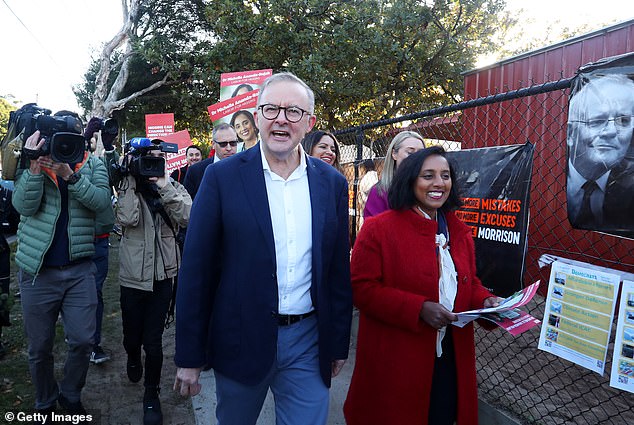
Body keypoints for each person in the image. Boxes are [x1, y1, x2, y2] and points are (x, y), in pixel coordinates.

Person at [174, 72, 352, 425]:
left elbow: (335, 272)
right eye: (271, 109)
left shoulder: (331, 183)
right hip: (240, 340)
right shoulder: (221, 178)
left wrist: (336, 343)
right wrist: (190, 356)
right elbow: (197, 270)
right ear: (257, 118)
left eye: (293, 112)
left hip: (307, 342)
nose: (281, 119)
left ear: (309, 123)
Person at [344, 146, 501, 425]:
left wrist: (486, 301)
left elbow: (469, 282)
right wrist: (418, 308)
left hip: (449, 355)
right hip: (397, 359)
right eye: (428, 175)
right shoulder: (378, 229)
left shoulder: (458, 230)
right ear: (410, 181)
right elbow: (361, 288)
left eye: (445, 175)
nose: (438, 183)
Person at [12, 112, 111, 415]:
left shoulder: (92, 164)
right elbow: (23, 206)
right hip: (37, 273)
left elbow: (102, 203)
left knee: (82, 341)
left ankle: (70, 395)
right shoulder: (35, 161)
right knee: (39, 348)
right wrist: (32, 166)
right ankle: (44, 402)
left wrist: (71, 175)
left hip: (79, 270)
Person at [115, 138, 191, 425]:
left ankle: (152, 394)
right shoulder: (126, 185)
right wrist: (130, 181)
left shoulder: (172, 185)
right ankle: (132, 357)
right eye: (148, 158)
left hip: (163, 276)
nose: (153, 163)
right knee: (131, 337)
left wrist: (164, 185)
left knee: (154, 342)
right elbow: (128, 217)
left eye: (159, 158)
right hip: (133, 277)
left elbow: (188, 216)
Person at [566, 74, 634, 236]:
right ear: (570, 134)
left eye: (623, 121)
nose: (611, 132)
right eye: (597, 121)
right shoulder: (543, 176)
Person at [83, 117, 120, 365]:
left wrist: (108, 148)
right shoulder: (67, 159)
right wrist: (83, 142)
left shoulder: (101, 162)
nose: (92, 144)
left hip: (99, 241)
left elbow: (114, 179)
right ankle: (79, 336)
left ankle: (93, 344)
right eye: (90, 140)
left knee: (94, 293)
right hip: (74, 241)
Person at [363, 131, 425, 218]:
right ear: (394, 154)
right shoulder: (379, 192)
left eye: (421, 153)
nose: (417, 157)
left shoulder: (429, 188)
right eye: (410, 152)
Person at [183, 123, 239, 200]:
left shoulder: (247, 168)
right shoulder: (195, 171)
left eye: (233, 143)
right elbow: (188, 205)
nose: (229, 148)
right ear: (213, 144)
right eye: (223, 144)